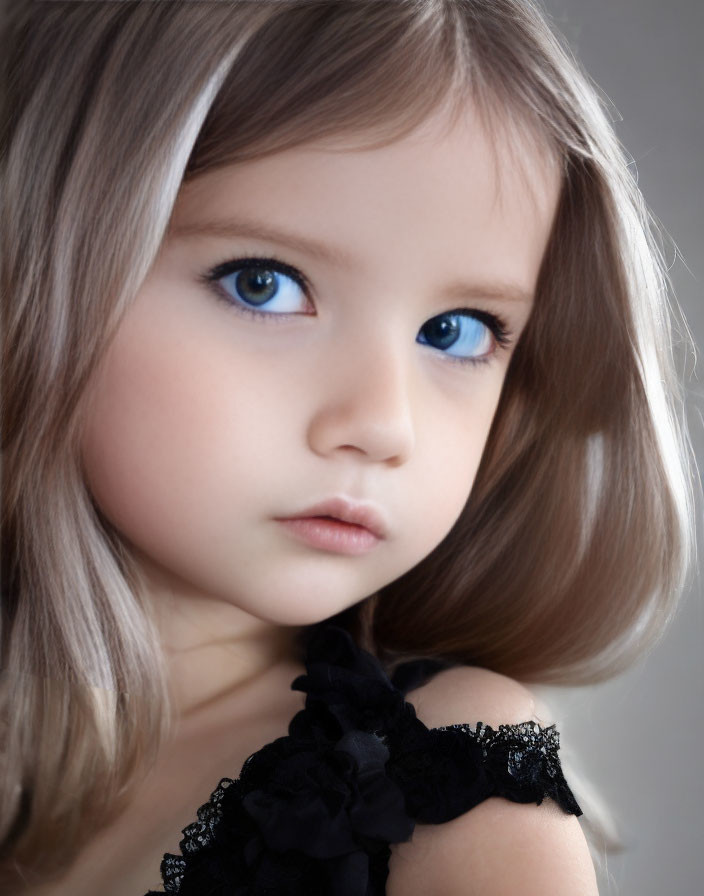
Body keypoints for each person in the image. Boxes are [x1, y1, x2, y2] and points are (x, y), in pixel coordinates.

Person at [0, 1, 697, 894]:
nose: (382, 424)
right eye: (266, 284)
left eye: (454, 331)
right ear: (36, 255)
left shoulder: (443, 782)